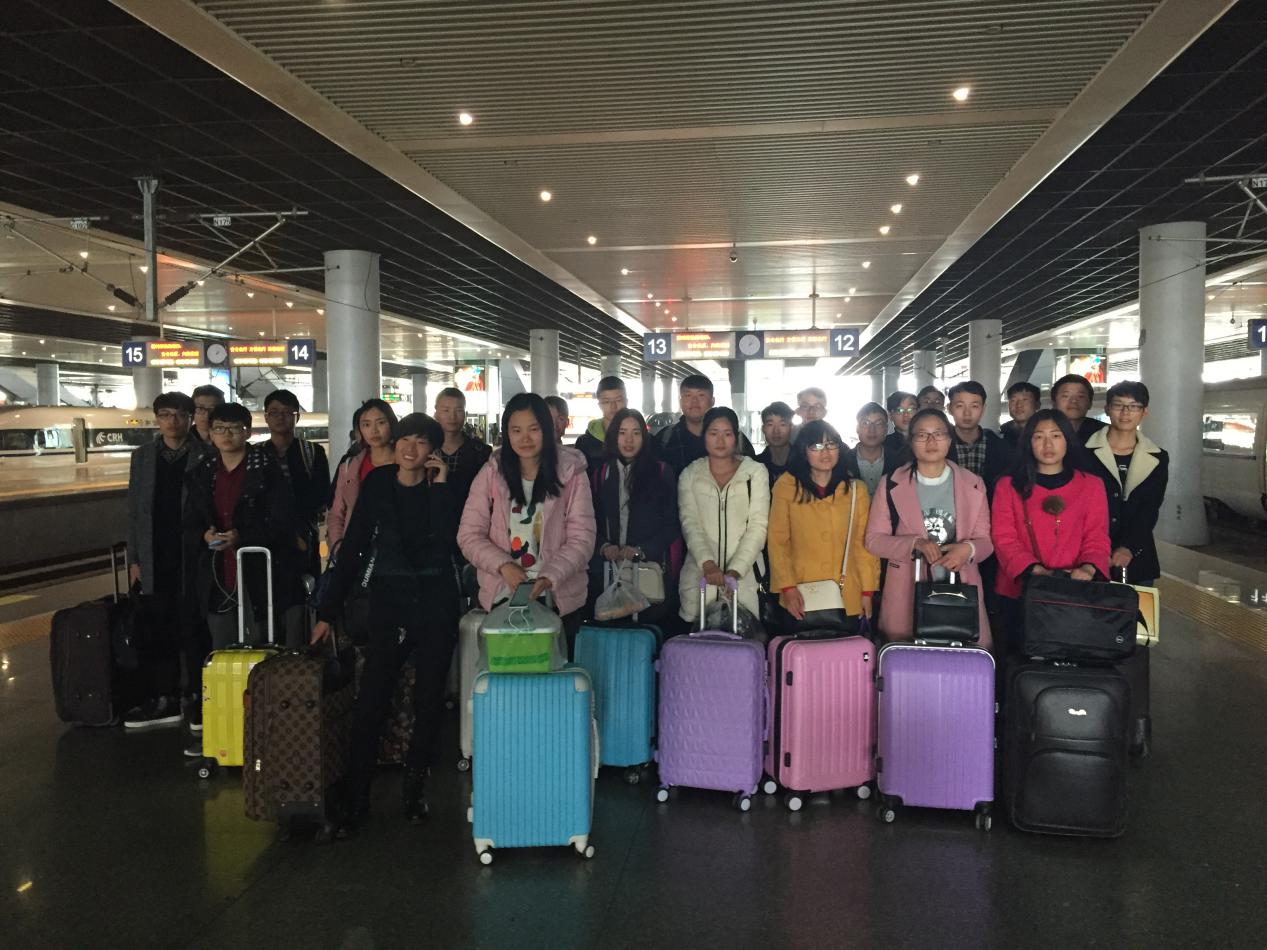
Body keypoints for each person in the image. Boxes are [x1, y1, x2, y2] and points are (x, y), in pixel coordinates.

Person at [311, 413, 458, 830]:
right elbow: (355, 545)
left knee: (429, 700)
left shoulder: (443, 487)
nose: (411, 449)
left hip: (436, 603)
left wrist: (440, 487)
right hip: (389, 603)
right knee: (372, 698)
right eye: (405, 440)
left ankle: (414, 791)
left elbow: (447, 540)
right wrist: (327, 612)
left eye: (422, 442)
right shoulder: (377, 483)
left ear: (434, 451)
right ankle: (358, 795)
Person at [458, 393, 596, 656]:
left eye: (534, 429)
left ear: (547, 429)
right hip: (503, 596)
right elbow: (468, 535)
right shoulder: (492, 472)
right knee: (510, 675)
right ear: (506, 432)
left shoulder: (571, 472)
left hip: (558, 598)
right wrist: (504, 566)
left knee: (555, 673)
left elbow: (583, 538)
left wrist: (549, 577)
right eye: (516, 430)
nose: (525, 438)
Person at [864, 409, 994, 648]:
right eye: (922, 435)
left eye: (939, 434)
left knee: (962, 661)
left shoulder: (973, 483)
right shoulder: (891, 483)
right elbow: (873, 540)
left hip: (960, 590)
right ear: (911, 440)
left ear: (950, 439)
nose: (931, 441)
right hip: (906, 589)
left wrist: (968, 549)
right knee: (908, 659)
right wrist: (914, 543)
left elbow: (985, 542)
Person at [1086, 381, 1168, 756]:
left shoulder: (1158, 456)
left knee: (1139, 644)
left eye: (1133, 406)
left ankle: (1136, 725)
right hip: (1091, 558)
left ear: (1144, 412)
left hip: (1140, 563)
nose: (1125, 412)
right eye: (1119, 405)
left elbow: (1150, 510)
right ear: (1107, 409)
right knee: (1090, 638)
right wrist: (1099, 548)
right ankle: (1094, 719)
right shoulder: (1084, 451)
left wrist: (1128, 548)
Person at [989, 409, 1111, 654]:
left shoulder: (1091, 485)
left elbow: (1097, 535)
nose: (1048, 444)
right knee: (1018, 659)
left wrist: (1088, 569)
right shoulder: (1008, 486)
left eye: (1056, 436)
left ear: (1068, 440)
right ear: (1028, 442)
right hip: (1020, 593)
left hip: (1076, 592)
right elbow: (1004, 537)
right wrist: (1036, 571)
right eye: (1039, 437)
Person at [122, 391, 207, 730]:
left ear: (190, 418)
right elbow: (135, 511)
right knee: (159, 628)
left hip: (193, 557)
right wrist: (134, 559)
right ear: (157, 419)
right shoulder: (142, 457)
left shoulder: (206, 454)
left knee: (195, 628)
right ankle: (166, 698)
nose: (173, 421)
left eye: (180, 414)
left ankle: (198, 696)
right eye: (166, 414)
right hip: (154, 556)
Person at [767, 421, 879, 632]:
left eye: (831, 444)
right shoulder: (787, 486)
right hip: (800, 592)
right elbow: (778, 541)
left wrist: (867, 592)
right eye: (816, 446)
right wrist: (788, 588)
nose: (825, 452)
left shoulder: (856, 490)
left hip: (847, 593)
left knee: (844, 651)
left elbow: (863, 546)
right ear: (804, 450)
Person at [677, 407, 770, 629]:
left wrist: (735, 571)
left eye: (727, 433)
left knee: (742, 644)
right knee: (698, 646)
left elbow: (758, 526)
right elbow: (690, 524)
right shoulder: (690, 474)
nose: (720, 440)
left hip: (745, 582)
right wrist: (708, 565)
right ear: (704, 436)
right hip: (700, 582)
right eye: (713, 433)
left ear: (736, 437)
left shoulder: (755, 473)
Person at [591, 408, 681, 623]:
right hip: (610, 572)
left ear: (644, 437)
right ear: (614, 436)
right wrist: (604, 546)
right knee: (614, 631)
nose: (629, 440)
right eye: (622, 433)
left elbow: (672, 524)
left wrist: (642, 550)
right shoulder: (600, 474)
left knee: (649, 629)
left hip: (649, 571)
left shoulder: (661, 472)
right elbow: (590, 523)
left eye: (636, 433)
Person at [261, 389, 330, 583]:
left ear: (297, 417)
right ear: (266, 417)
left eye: (287, 412)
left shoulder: (312, 452)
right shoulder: (256, 453)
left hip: (303, 535)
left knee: (305, 586)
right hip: (264, 536)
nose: (280, 417)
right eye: (274, 412)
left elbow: (321, 494)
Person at [327, 399, 398, 551]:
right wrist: (338, 547)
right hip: (356, 548)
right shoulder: (349, 467)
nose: (374, 430)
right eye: (366, 425)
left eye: (381, 423)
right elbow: (336, 514)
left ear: (392, 424)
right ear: (359, 430)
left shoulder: (405, 463)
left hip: (396, 550)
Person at [657, 375, 755, 475]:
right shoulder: (665, 438)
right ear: (680, 401)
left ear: (712, 401)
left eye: (701, 395)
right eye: (688, 396)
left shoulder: (736, 439)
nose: (694, 401)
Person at [946, 381, 1014, 495]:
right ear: (949, 409)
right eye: (960, 406)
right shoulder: (939, 445)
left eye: (974, 406)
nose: (967, 413)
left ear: (983, 409)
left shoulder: (1000, 447)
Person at [434, 387, 492, 508]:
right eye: (446, 410)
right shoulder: (427, 450)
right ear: (436, 413)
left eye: (459, 410)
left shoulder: (481, 452)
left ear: (465, 414)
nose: (452, 416)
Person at [575, 376, 627, 474]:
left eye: (618, 400)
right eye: (606, 401)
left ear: (626, 402)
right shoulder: (585, 442)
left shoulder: (642, 438)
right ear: (599, 405)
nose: (613, 406)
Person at [853, 402, 906, 496]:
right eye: (865, 423)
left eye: (878, 424)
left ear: (886, 429)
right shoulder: (842, 461)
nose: (872, 429)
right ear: (857, 428)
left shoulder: (900, 462)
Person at [1051, 373, 1106, 444]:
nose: (1074, 401)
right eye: (1066, 396)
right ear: (1054, 402)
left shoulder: (1105, 432)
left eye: (1080, 396)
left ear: (1090, 403)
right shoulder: (1040, 430)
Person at [755, 401, 794, 487]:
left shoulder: (804, 462)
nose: (776, 431)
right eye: (770, 424)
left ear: (791, 427)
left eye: (782, 424)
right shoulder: (755, 464)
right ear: (763, 429)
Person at [1001, 381, 1040, 447]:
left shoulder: (1045, 430)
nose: (1019, 405)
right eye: (1013, 400)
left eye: (1025, 400)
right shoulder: (1001, 433)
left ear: (1037, 404)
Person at [883, 391, 917, 459]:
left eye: (910, 409)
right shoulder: (883, 445)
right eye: (899, 410)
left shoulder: (929, 440)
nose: (906, 414)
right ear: (890, 415)